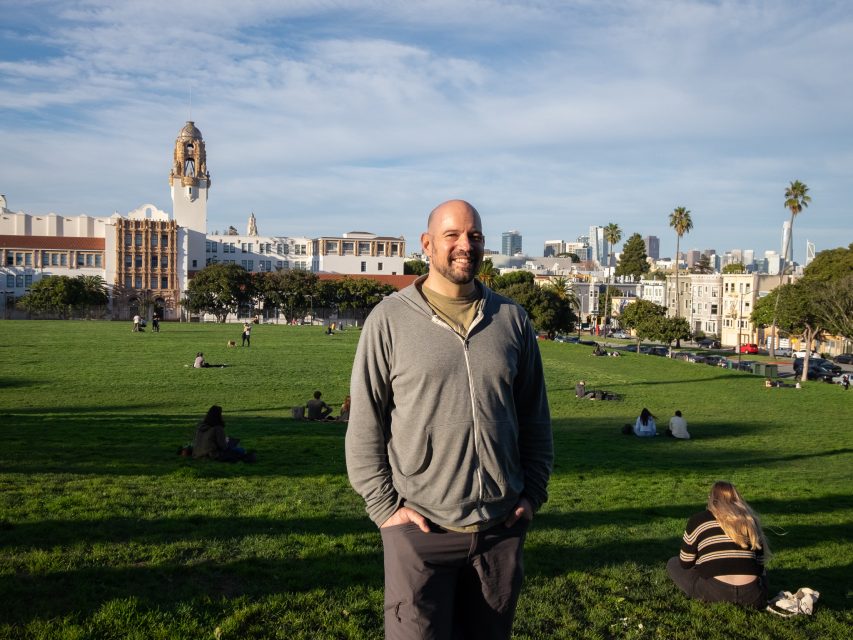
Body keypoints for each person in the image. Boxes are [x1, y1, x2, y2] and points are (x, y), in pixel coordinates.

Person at [345, 199, 553, 640]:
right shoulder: (389, 320)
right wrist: (385, 510)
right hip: (420, 530)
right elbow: (365, 426)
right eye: (452, 235)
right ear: (427, 244)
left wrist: (532, 494)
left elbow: (536, 419)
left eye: (474, 236)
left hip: (500, 530)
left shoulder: (511, 319)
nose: (465, 245)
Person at [666, 481, 769, 609]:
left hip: (714, 593)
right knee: (764, 574)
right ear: (737, 498)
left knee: (672, 563)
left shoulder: (698, 520)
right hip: (752, 596)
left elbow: (685, 563)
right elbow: (759, 566)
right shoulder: (749, 521)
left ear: (711, 498)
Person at [191, 405, 255, 462]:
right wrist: (226, 442)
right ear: (218, 416)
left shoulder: (201, 427)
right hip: (211, 454)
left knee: (236, 448)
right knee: (241, 450)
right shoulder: (217, 428)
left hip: (197, 453)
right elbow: (223, 447)